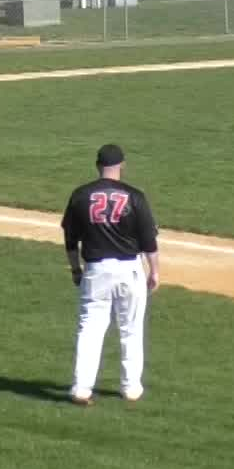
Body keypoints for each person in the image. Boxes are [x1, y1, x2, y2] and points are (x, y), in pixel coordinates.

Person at [60, 143, 160, 406]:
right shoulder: (135, 197)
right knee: (131, 329)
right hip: (129, 269)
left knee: (90, 330)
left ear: (97, 166)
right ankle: (131, 388)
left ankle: (81, 389)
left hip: (96, 271)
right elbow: (149, 242)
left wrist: (75, 269)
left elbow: (70, 239)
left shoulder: (81, 195)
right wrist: (155, 272)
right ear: (122, 166)